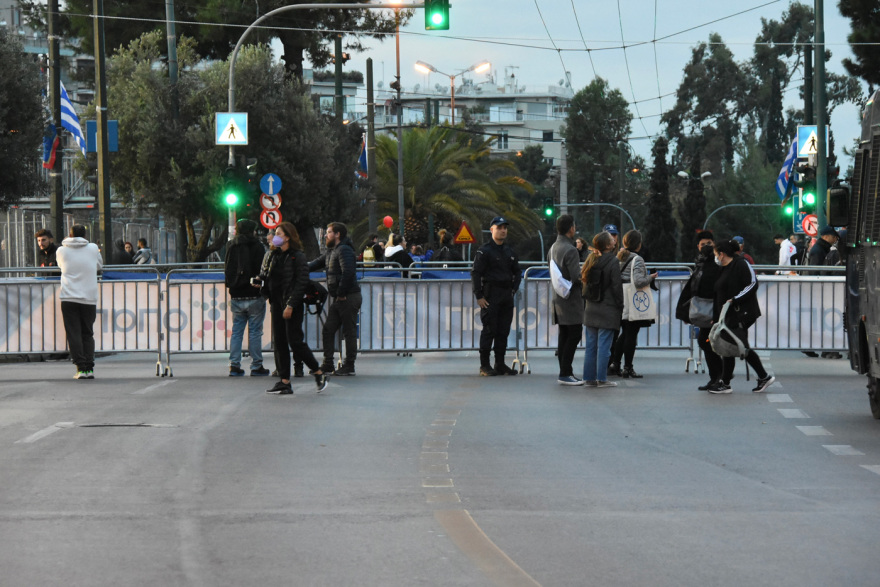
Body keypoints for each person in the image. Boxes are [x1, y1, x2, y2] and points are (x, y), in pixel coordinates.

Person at [263, 222, 328, 394]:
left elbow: (301, 283)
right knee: (280, 342)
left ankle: (318, 371)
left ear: (287, 237)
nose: (274, 236)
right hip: (276, 303)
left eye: (278, 233)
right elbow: (269, 277)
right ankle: (284, 380)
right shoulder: (274, 255)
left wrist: (291, 304)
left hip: (292, 304)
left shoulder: (297, 257)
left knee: (295, 341)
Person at [707, 239, 775, 394]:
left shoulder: (741, 264)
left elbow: (752, 284)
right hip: (727, 314)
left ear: (722, 254)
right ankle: (727, 382)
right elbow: (718, 293)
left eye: (716, 254)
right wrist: (716, 316)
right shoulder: (723, 268)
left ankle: (761, 377)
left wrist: (736, 299)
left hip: (741, 313)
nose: (715, 257)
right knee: (729, 346)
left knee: (738, 345)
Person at [309, 222, 362, 376]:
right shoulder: (332, 251)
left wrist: (341, 292)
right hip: (340, 297)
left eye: (329, 232)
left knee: (349, 332)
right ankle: (328, 363)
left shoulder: (344, 250)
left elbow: (348, 272)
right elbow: (315, 264)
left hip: (347, 296)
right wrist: (297, 267)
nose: (326, 235)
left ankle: (349, 365)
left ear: (338, 234)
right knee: (328, 329)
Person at [471, 216, 521, 376]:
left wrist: (513, 289)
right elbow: (476, 273)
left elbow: (517, 272)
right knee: (489, 330)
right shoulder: (484, 251)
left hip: (506, 295)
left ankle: (500, 363)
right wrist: (479, 295)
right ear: (492, 229)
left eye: (505, 227)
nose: (503, 230)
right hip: (490, 295)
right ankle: (484, 365)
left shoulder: (509, 251)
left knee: (503, 331)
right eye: (499, 227)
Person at [676, 230, 724, 390]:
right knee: (706, 341)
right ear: (698, 246)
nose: (706, 247)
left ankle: (719, 377)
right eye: (703, 244)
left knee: (708, 342)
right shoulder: (701, 264)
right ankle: (716, 377)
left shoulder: (716, 264)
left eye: (709, 244)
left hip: (714, 311)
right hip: (706, 311)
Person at [56, 225, 103, 379]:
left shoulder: (61, 250)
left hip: (69, 297)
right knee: (87, 333)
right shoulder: (93, 248)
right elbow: (99, 265)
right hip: (89, 297)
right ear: (85, 234)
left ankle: (80, 368)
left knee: (74, 333)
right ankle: (90, 368)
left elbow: (60, 266)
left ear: (69, 234)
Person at [609, 230, 657, 379]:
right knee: (631, 334)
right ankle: (627, 367)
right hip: (632, 300)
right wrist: (651, 277)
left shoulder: (619, 257)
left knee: (623, 333)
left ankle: (615, 363)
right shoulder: (638, 259)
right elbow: (638, 281)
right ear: (639, 244)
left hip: (620, 298)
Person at [225, 219, 269, 377]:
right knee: (255, 332)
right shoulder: (257, 246)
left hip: (236, 293)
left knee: (237, 331)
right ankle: (256, 365)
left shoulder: (232, 245)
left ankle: (234, 365)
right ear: (253, 231)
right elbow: (263, 269)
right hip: (254, 293)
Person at [581, 231, 623, 387]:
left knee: (591, 347)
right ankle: (602, 379)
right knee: (604, 347)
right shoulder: (613, 261)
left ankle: (588, 377)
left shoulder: (591, 260)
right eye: (612, 240)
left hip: (591, 308)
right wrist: (620, 305)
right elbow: (616, 287)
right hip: (608, 309)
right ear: (608, 245)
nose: (614, 241)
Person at [549, 214, 585, 385]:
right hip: (571, 300)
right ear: (571, 228)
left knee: (564, 334)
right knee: (575, 333)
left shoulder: (553, 247)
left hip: (558, 298)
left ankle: (564, 371)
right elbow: (576, 277)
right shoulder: (571, 250)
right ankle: (565, 372)